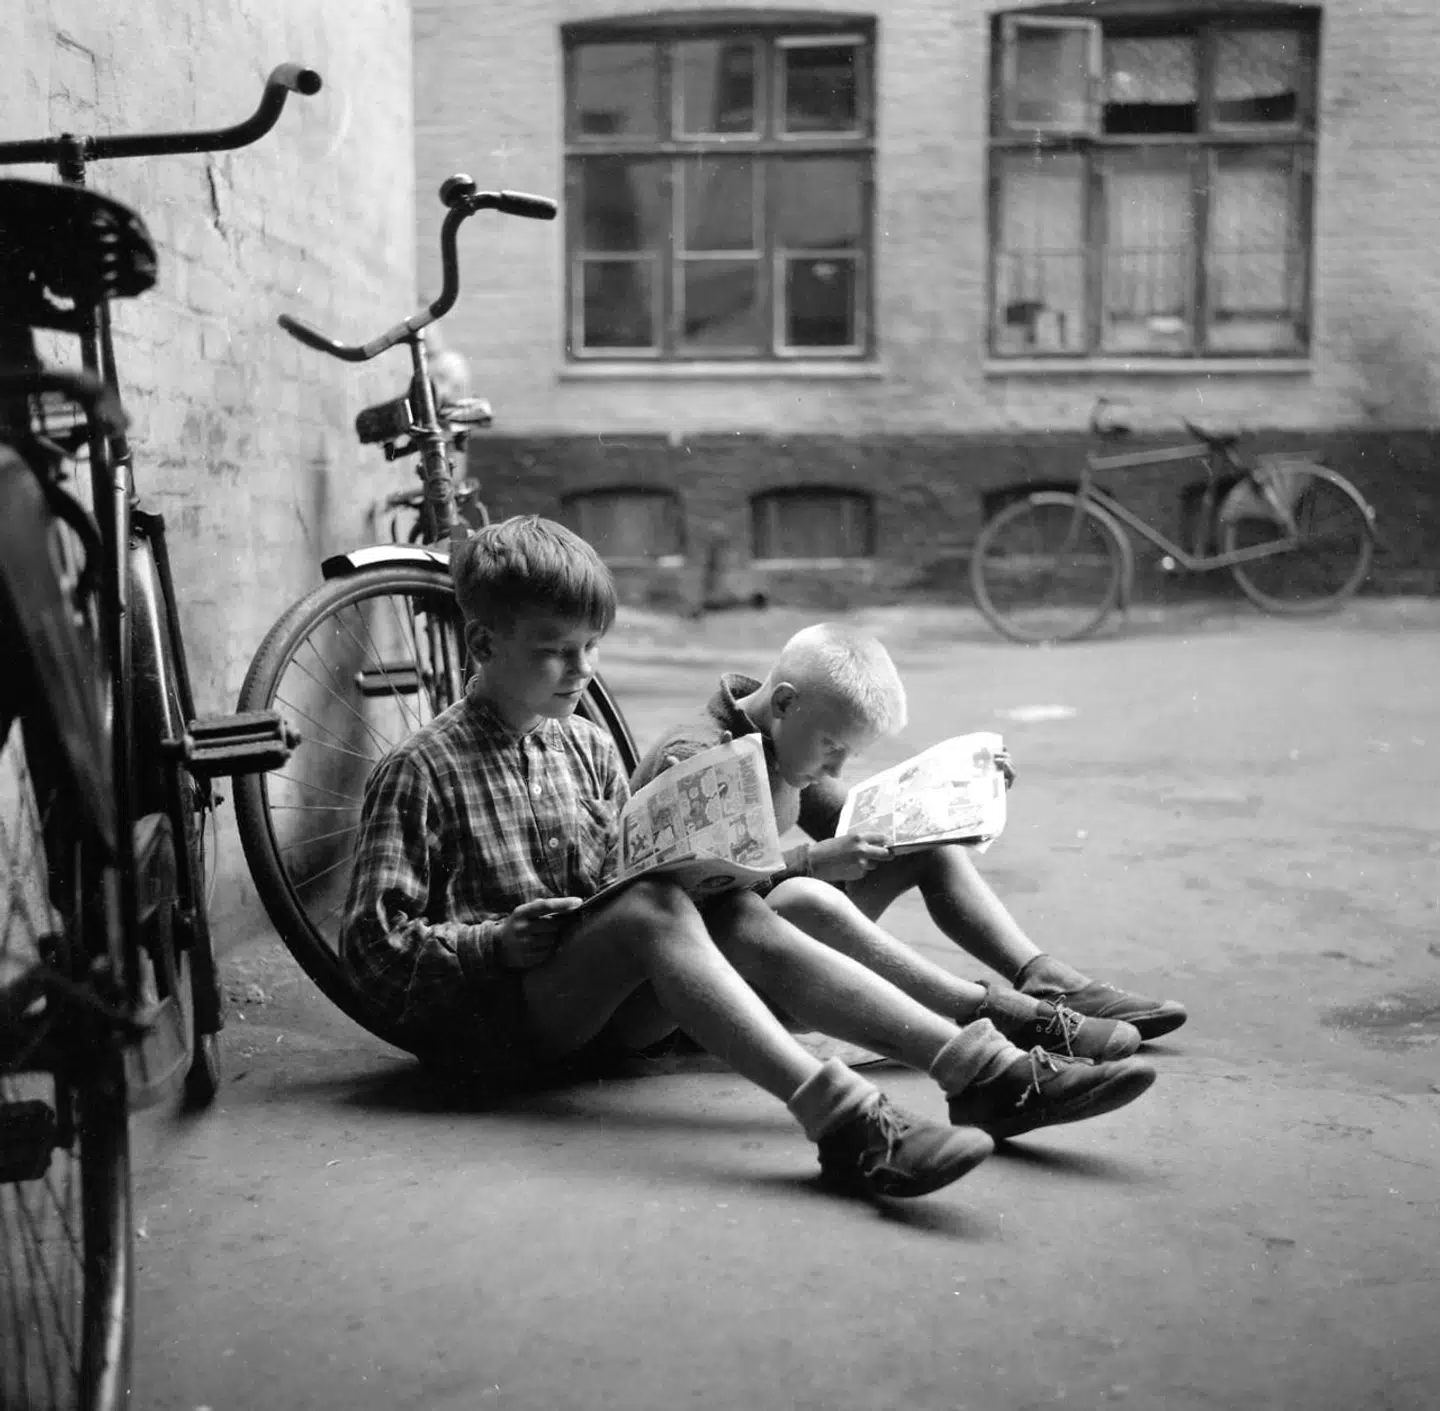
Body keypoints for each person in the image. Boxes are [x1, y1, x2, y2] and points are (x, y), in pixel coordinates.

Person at [339, 517, 1157, 1202]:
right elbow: (371, 955)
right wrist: (494, 942)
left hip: (609, 1016)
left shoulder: (584, 745)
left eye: (592, 646)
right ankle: (846, 1122)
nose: (583, 670)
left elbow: (616, 872)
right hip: (506, 1028)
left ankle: (982, 1071)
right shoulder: (419, 769)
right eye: (556, 650)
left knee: (741, 903)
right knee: (655, 909)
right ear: (483, 642)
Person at [630, 623, 1189, 1046]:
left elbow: (871, 824)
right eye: (832, 746)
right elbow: (701, 903)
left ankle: (1042, 978)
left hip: (758, 959)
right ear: (783, 702)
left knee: (926, 851)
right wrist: (810, 862)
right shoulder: (700, 760)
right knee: (802, 894)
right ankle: (989, 1017)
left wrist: (964, 794)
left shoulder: (781, 746)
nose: (835, 768)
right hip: (700, 990)